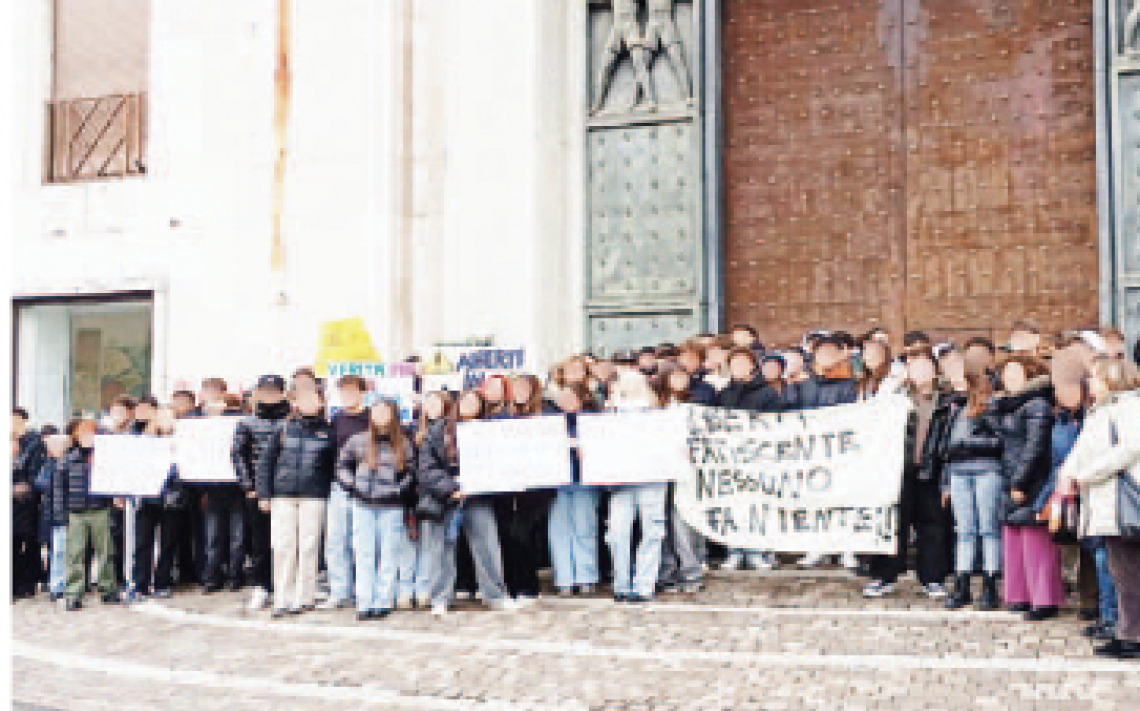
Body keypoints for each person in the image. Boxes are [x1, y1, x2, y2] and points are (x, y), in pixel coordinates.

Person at [1058, 356, 1140, 659]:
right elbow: (1082, 450)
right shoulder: (1102, 411)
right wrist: (1067, 474)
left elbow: (1130, 447)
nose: (1089, 382)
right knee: (1121, 571)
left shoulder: (1128, 407)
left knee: (1127, 572)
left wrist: (1084, 475)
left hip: (1122, 502)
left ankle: (1132, 636)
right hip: (1106, 502)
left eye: (1094, 376)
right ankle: (1127, 631)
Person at [415, 390, 518, 617]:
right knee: (440, 549)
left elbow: (502, 463)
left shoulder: (489, 431)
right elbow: (426, 467)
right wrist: (451, 488)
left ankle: (495, 595)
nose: (469, 405)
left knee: (487, 546)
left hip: (478, 496)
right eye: (466, 401)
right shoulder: (439, 429)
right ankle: (440, 598)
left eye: (474, 402)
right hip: (446, 496)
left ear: (481, 407)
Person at [989, 355, 1061, 621]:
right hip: (1009, 476)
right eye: (1005, 372)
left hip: (1031, 479)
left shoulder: (1037, 404)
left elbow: (1035, 446)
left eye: (1015, 371)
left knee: (1035, 542)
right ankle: (1020, 595)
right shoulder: (1007, 405)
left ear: (1030, 374)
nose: (1009, 376)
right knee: (1014, 539)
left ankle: (1044, 599)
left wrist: (1021, 481)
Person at [256, 389, 335, 617]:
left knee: (309, 546)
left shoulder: (327, 431)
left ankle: (304, 596)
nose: (309, 402)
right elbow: (266, 462)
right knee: (283, 546)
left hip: (314, 494)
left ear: (321, 402)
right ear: (296, 403)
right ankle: (282, 597)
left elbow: (331, 466)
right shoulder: (283, 428)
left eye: (313, 398)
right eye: (304, 398)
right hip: (283, 494)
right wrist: (264, 494)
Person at [337, 399, 415, 620]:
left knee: (388, 554)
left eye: (384, 412)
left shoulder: (403, 444)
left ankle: (383, 600)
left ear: (392, 416)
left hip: (391, 505)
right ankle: (364, 601)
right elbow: (342, 465)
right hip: (363, 504)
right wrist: (352, 485)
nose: (380, 416)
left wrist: (398, 490)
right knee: (364, 554)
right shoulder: (358, 440)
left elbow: (411, 472)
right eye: (376, 411)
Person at [941, 363, 1004, 611]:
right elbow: (946, 447)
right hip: (958, 472)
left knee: (988, 529)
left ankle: (990, 586)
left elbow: (1001, 440)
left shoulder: (992, 407)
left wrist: (967, 444)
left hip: (987, 470)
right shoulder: (955, 411)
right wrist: (945, 481)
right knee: (964, 530)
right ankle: (962, 584)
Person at [605, 370, 669, 603]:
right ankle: (623, 583)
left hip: (651, 474)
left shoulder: (656, 410)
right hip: (623, 477)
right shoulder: (611, 410)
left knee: (650, 531)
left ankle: (643, 584)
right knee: (618, 532)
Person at [716, 348, 781, 571]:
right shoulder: (724, 393)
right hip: (730, 459)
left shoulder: (768, 393)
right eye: (734, 363)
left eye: (743, 363)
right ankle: (734, 551)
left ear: (753, 366)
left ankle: (756, 551)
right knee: (733, 507)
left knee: (756, 507)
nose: (739, 367)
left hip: (758, 458)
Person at [232, 374, 292, 611]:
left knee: (287, 540)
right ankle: (261, 585)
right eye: (265, 391)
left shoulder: (292, 420)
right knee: (259, 541)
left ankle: (283, 585)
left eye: (274, 391)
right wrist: (249, 486)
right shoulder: (247, 422)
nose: (269, 395)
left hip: (288, 489)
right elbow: (239, 456)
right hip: (257, 491)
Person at [494, 375, 555, 599]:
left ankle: (529, 585)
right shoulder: (501, 415)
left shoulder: (546, 413)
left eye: (525, 388)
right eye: (517, 387)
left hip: (535, 485)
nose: (520, 391)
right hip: (506, 485)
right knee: (508, 534)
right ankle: (511, 584)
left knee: (526, 534)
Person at [904, 349, 956, 599]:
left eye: (925, 367)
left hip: (933, 470)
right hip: (901, 472)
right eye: (914, 368)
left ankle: (933, 578)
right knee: (895, 525)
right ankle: (884, 575)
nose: (920, 373)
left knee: (933, 528)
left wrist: (946, 478)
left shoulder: (947, 401)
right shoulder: (896, 399)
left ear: (935, 372)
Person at [57, 418, 120, 610]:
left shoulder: (103, 455)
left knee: (106, 551)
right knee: (75, 554)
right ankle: (74, 593)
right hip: (76, 511)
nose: (87, 434)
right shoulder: (67, 458)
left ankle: (108, 590)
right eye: (83, 431)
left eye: (91, 430)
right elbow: (59, 489)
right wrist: (61, 515)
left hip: (100, 508)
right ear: (75, 434)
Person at [321, 374, 371, 611]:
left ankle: (363, 591)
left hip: (368, 488)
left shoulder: (371, 417)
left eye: (352, 391)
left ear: (363, 392)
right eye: (343, 391)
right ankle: (339, 591)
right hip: (339, 486)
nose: (348, 395)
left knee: (362, 543)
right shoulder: (336, 419)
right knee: (336, 541)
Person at [549, 382, 602, 597]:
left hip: (584, 479)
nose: (564, 401)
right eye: (562, 397)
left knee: (584, 527)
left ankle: (586, 576)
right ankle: (564, 578)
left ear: (581, 399)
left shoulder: (593, 420)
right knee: (559, 530)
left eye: (570, 397)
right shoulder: (550, 420)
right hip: (558, 480)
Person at [657, 369, 705, 592]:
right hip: (660, 470)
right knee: (662, 524)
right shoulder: (655, 405)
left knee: (683, 523)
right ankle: (667, 572)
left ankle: (690, 572)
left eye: (683, 377)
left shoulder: (696, 405)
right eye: (674, 376)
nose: (679, 380)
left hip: (685, 471)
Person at [132, 406, 185, 599]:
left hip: (173, 497)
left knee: (168, 543)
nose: (165, 420)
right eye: (162, 417)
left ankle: (162, 582)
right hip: (147, 496)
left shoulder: (182, 441)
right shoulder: (145, 440)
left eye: (169, 417)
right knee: (143, 542)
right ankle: (141, 584)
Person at [12, 408, 46, 599]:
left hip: (28, 502)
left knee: (29, 543)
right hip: (12, 501)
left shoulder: (34, 442)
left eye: (16, 420)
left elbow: (34, 474)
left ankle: (28, 584)